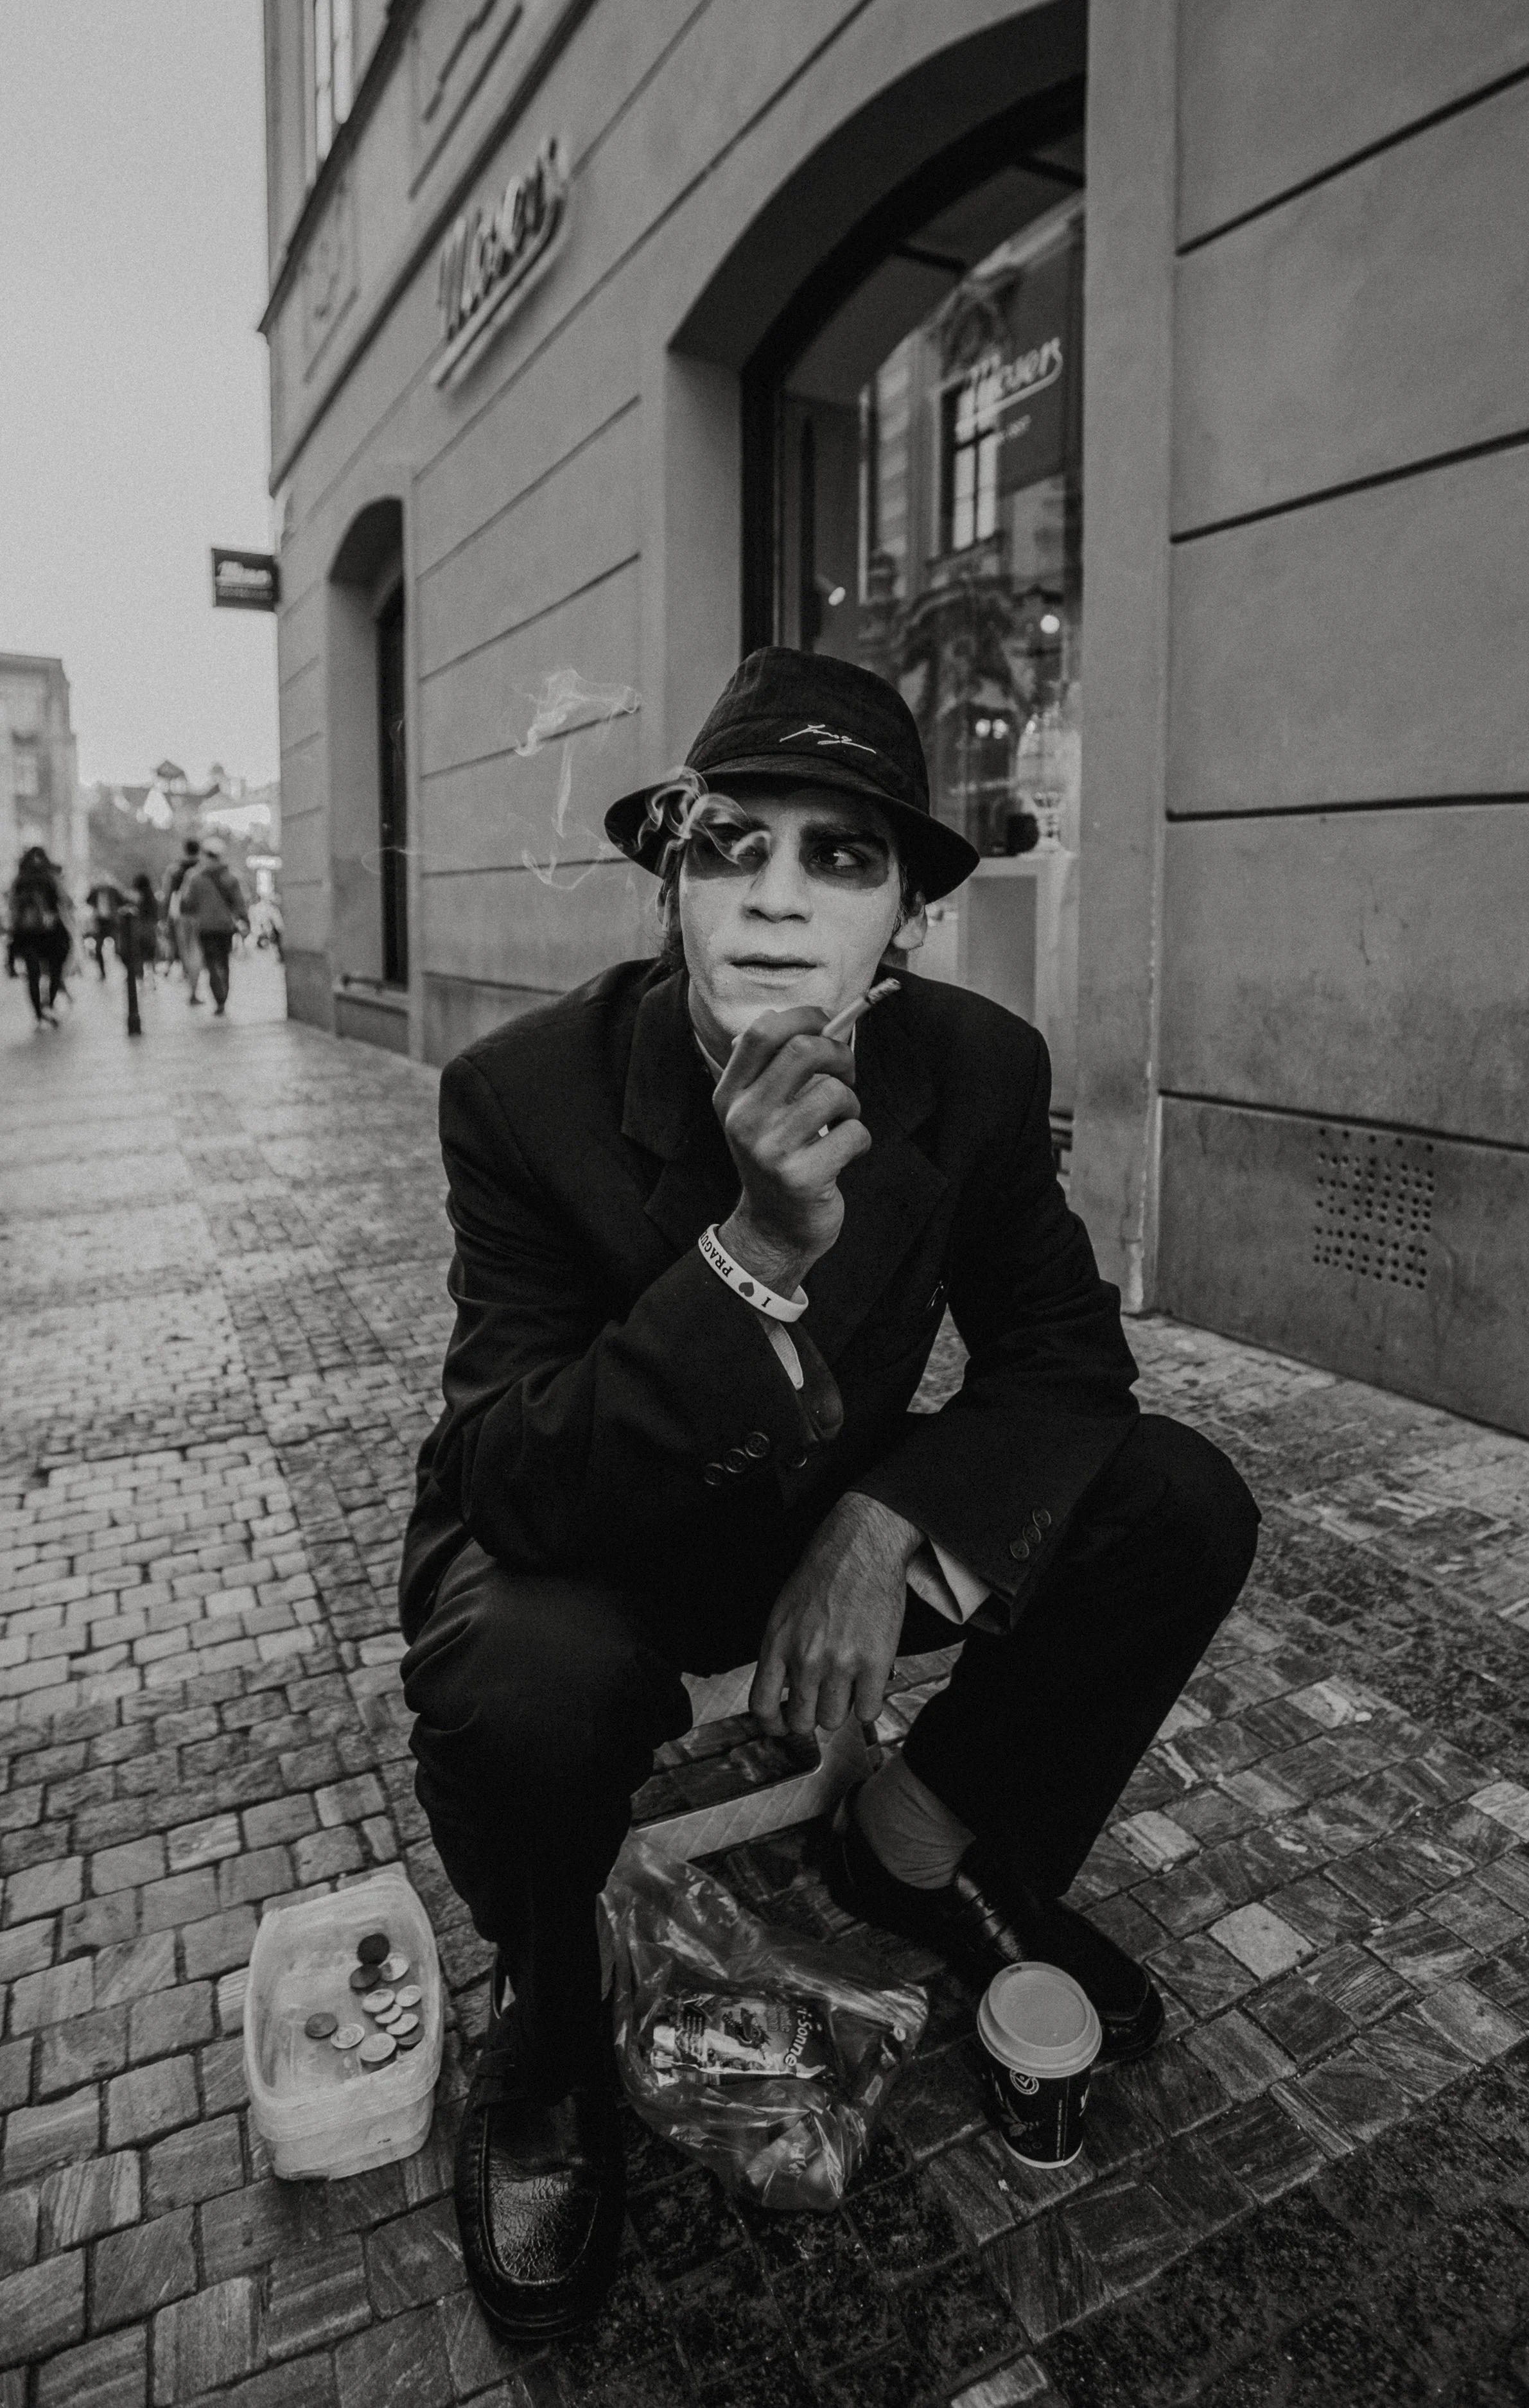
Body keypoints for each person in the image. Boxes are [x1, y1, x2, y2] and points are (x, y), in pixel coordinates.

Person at [398, 649, 1259, 2343]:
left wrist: (887, 1524)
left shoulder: (978, 1072)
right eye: (730, 846)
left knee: (1175, 1501)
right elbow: (514, 1464)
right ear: (670, 885)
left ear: (909, 918)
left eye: (840, 852)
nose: (777, 896)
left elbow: (1066, 1359)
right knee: (523, 1673)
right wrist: (749, 1257)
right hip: (605, 1525)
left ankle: (913, 1844)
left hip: (826, 1499)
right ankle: (552, 2027)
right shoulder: (524, 1096)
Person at [178, 837, 250, 1014]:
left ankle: (219, 996)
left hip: (205, 927)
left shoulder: (195, 878)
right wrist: (245, 920)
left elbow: (187, 903)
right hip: (225, 927)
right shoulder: (231, 876)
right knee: (224, 962)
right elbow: (240, 903)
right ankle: (223, 995)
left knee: (211, 963)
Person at [8, 846, 73, 1027]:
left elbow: (13, 908)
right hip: (50, 933)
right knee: (54, 970)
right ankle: (49, 1006)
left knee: (33, 975)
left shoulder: (20, 880)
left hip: (26, 934)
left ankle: (38, 1014)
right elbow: (62, 903)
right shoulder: (48, 879)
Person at [163, 836, 203, 997]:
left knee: (187, 950)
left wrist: (167, 917)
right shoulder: (202, 869)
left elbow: (168, 894)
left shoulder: (175, 870)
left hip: (181, 914)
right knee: (196, 950)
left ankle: (192, 984)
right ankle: (194, 984)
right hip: (200, 914)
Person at [121, 873, 161, 984]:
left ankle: (139, 975)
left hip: (140, 927)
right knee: (150, 952)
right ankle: (151, 975)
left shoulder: (138, 896)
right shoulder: (152, 896)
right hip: (151, 927)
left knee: (138, 951)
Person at [85, 877, 127, 977]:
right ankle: (102, 971)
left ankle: (125, 971)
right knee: (99, 948)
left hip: (112, 922)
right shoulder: (95, 892)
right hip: (100, 922)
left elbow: (123, 901)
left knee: (119, 947)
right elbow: (88, 901)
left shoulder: (113, 891)